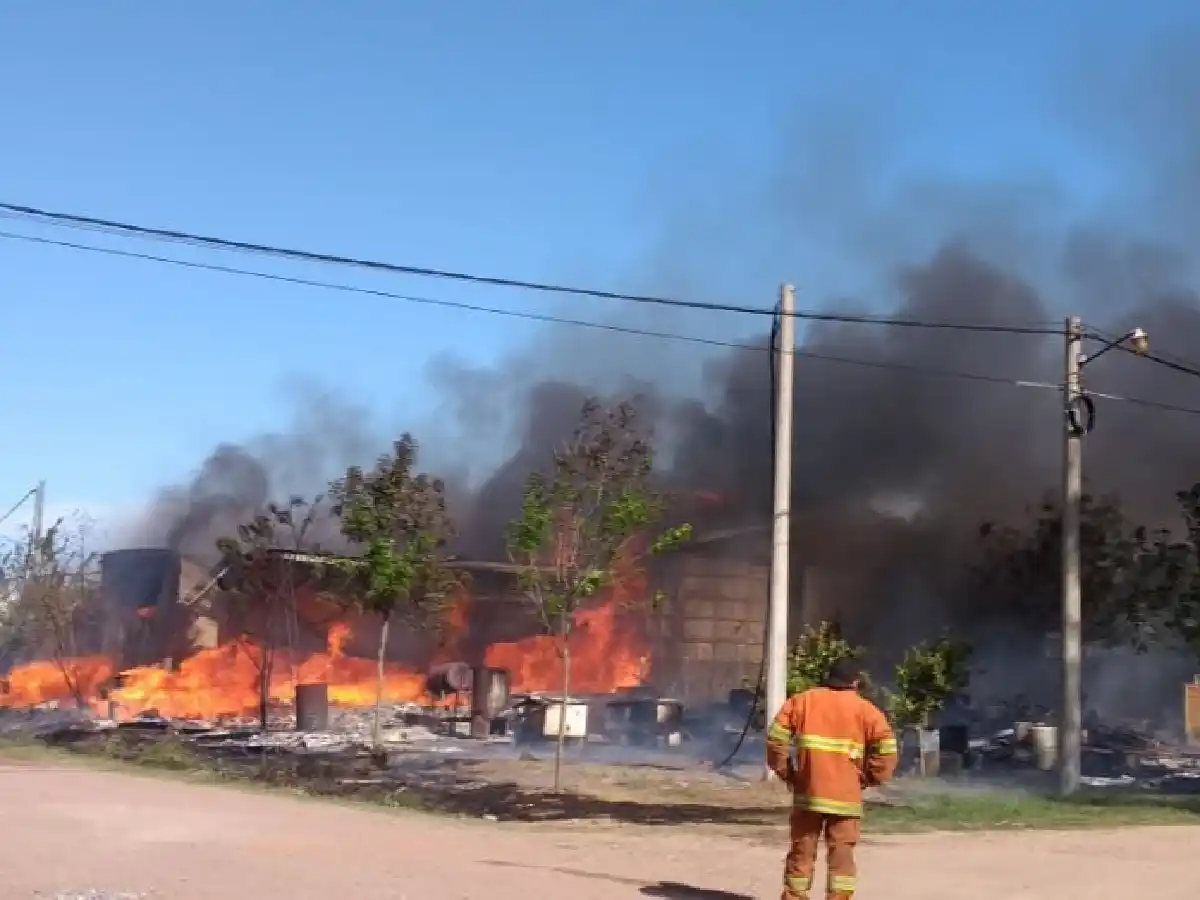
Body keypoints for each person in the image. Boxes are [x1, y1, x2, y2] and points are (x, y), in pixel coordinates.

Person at [765, 658, 898, 900]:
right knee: (842, 855)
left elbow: (776, 740)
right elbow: (887, 749)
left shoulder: (802, 701)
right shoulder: (866, 710)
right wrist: (869, 778)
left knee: (802, 851)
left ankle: (794, 897)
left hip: (809, 794)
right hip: (846, 798)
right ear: (855, 682)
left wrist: (788, 772)